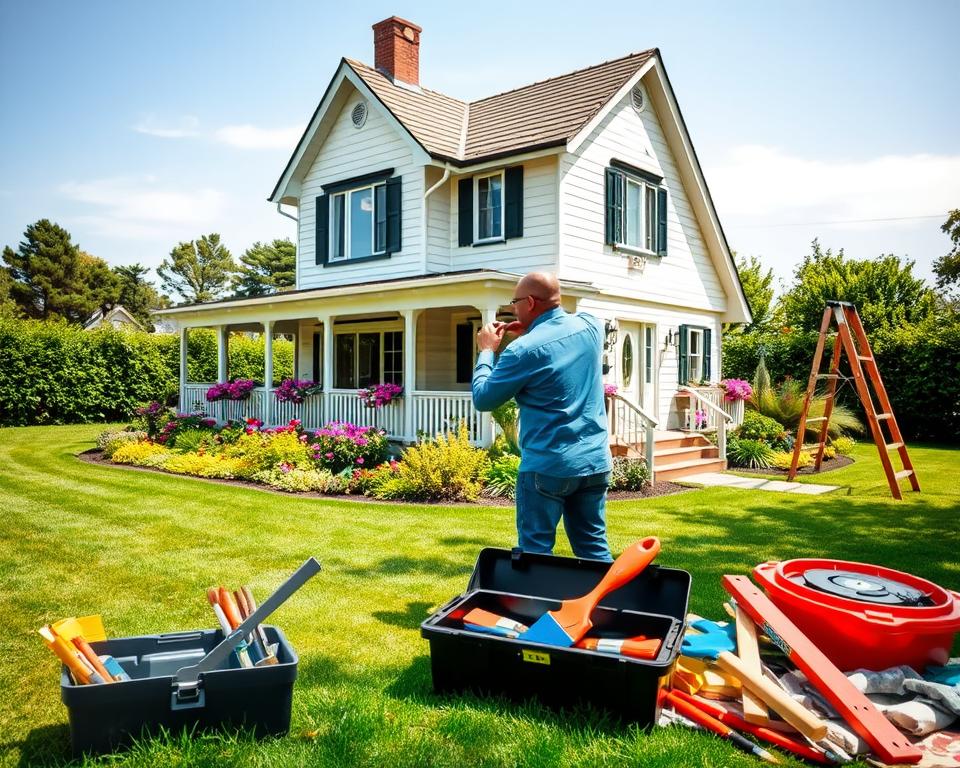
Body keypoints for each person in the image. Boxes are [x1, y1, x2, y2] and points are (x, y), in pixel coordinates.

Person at [472, 272, 613, 562]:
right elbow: (559, 340)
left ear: (531, 302)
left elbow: (484, 398)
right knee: (593, 548)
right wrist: (534, 330)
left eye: (515, 302)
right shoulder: (591, 326)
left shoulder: (522, 351)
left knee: (536, 555)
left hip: (548, 467)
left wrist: (487, 351)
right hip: (594, 462)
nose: (512, 309)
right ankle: (608, 605)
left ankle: (540, 607)